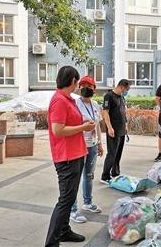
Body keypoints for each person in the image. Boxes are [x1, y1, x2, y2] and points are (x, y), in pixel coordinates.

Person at [45, 66, 96, 246]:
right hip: (66, 157)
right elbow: (58, 130)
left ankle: (64, 231)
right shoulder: (59, 100)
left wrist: (83, 122)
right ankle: (52, 242)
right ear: (72, 81)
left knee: (69, 197)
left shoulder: (68, 99)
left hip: (76, 153)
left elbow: (69, 122)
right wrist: (83, 128)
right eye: (77, 81)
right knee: (65, 199)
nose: (78, 85)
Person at [70, 76, 104, 224]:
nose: (86, 88)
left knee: (89, 175)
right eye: (83, 85)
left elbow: (97, 125)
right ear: (79, 88)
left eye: (89, 86)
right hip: (79, 145)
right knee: (75, 177)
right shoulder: (74, 104)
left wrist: (100, 144)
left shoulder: (96, 105)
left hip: (93, 145)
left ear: (94, 89)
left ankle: (88, 203)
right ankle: (72, 210)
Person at [100, 79, 130, 184]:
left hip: (121, 130)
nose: (127, 91)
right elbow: (105, 112)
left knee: (118, 154)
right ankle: (105, 176)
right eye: (126, 89)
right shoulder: (109, 96)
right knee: (112, 153)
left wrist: (125, 126)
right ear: (122, 87)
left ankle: (115, 173)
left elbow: (123, 112)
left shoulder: (121, 97)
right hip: (113, 130)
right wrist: (109, 127)